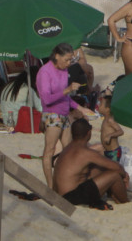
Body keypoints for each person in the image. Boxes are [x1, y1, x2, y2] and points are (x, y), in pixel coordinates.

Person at [53, 118, 128, 208]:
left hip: (59, 194)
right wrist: (125, 176)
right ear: (89, 133)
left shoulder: (68, 149)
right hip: (71, 198)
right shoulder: (85, 152)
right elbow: (117, 168)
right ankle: (125, 202)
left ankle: (113, 194)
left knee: (99, 168)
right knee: (115, 175)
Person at [37, 42, 81, 189]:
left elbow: (65, 98)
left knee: (68, 150)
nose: (69, 63)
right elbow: (47, 99)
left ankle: (64, 182)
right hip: (51, 114)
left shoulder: (63, 71)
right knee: (49, 150)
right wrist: (68, 89)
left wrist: (79, 108)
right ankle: (50, 185)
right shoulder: (45, 72)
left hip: (64, 113)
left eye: (71, 60)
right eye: (67, 60)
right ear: (57, 56)